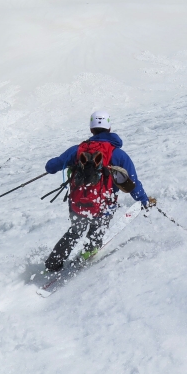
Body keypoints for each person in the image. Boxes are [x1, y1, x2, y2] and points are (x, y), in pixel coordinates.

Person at [43, 110, 155, 272]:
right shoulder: (118, 154)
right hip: (104, 204)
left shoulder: (77, 151)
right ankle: (87, 255)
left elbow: (51, 166)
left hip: (78, 204)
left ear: (91, 130)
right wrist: (143, 201)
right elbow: (133, 182)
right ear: (109, 129)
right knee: (97, 231)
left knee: (75, 231)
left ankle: (53, 263)